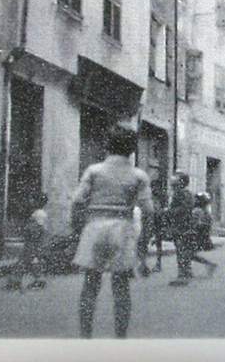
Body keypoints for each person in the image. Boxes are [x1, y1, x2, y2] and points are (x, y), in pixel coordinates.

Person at [71, 125, 153, 339]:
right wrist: (143, 245)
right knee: (121, 288)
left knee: (90, 286)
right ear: (132, 150)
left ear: (107, 146)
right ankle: (120, 339)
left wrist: (78, 231)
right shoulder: (138, 176)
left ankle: (85, 338)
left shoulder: (94, 171)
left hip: (95, 226)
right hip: (122, 229)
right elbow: (148, 212)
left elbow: (77, 202)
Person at [168, 173, 217, 286]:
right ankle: (186, 273)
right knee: (184, 251)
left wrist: (169, 212)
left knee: (182, 251)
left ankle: (183, 276)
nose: (173, 187)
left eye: (175, 184)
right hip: (180, 226)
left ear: (181, 184)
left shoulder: (184, 195)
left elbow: (184, 209)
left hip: (184, 226)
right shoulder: (181, 194)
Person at [4, 192, 49, 291]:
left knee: (25, 261)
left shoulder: (39, 214)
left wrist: (30, 234)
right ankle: (34, 280)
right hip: (33, 242)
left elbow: (38, 228)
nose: (30, 201)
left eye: (32, 199)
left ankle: (16, 281)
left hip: (33, 242)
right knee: (27, 261)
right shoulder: (38, 213)